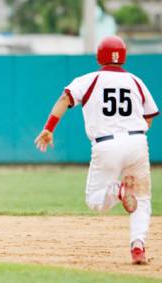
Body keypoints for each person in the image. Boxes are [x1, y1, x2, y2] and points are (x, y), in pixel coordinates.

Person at [34, 36, 158, 265]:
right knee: (142, 197)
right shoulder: (136, 81)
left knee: (95, 200)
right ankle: (138, 245)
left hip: (106, 143)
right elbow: (149, 117)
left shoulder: (89, 79)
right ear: (123, 56)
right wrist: (132, 136)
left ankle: (118, 192)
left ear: (99, 56)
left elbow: (65, 98)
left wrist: (49, 128)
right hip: (137, 142)